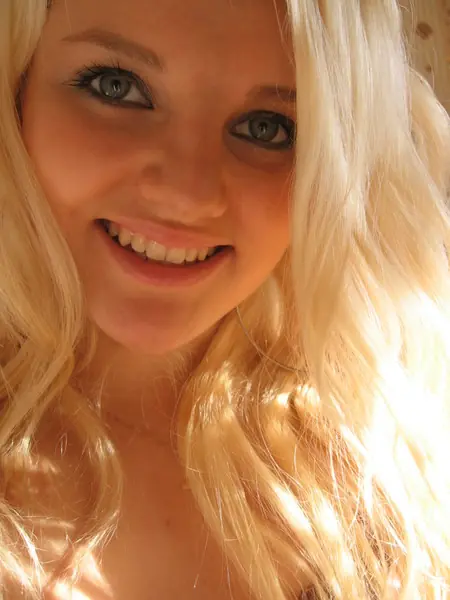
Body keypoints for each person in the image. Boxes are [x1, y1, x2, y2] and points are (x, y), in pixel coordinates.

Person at [0, 0, 449, 598]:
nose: (188, 195)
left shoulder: (391, 447)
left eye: (266, 128)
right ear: (16, 90)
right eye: (117, 87)